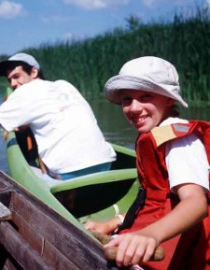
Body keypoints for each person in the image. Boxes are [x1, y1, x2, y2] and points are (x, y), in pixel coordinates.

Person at [85, 56, 210, 269]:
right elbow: (156, 202)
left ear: (169, 99)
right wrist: (112, 223)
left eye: (145, 96)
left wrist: (150, 235)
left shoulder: (178, 140)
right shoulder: (155, 135)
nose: (133, 108)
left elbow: (196, 203)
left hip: (175, 256)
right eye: (127, 99)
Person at [0, 53, 116, 180]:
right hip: (106, 164)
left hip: (72, 173)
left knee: (26, 176)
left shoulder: (25, 93)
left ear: (34, 72)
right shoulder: (63, 84)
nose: (13, 83)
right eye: (9, 79)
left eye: (17, 76)